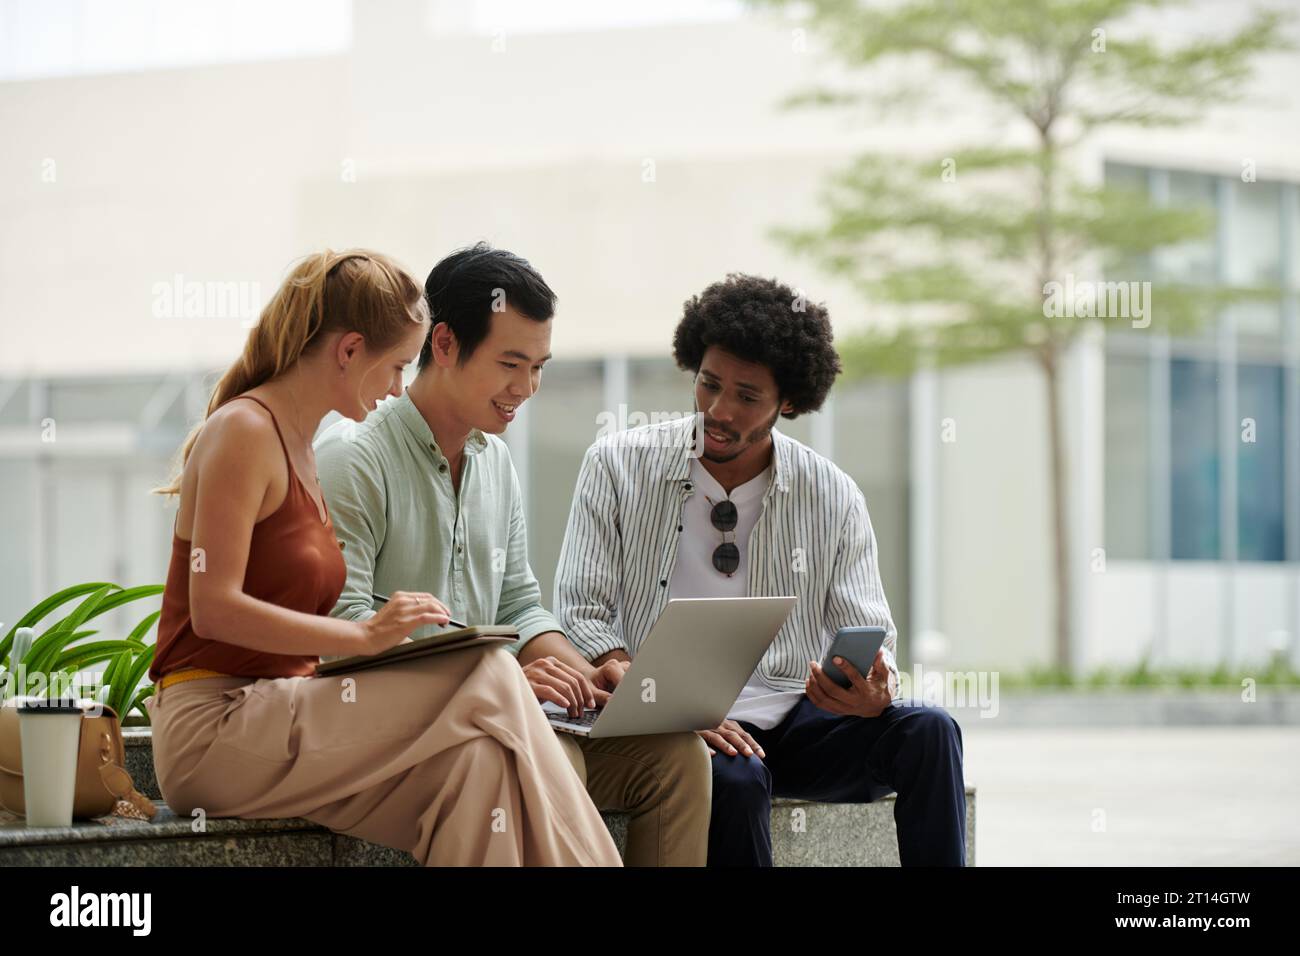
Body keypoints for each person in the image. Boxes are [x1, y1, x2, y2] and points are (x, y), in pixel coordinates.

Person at [147, 248, 621, 867]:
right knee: (490, 672)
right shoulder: (244, 431)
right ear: (349, 352)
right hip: (216, 728)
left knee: (478, 774)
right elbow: (213, 611)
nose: (400, 386)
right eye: (397, 365)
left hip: (285, 714)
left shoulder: (304, 450)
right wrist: (364, 634)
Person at [315, 242, 711, 867]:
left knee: (677, 757)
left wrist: (586, 674)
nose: (526, 388)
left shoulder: (494, 461)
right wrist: (498, 679)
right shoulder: (354, 456)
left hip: (503, 709)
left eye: (539, 366)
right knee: (558, 755)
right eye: (510, 363)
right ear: (441, 344)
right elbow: (340, 633)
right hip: (403, 727)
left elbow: (520, 603)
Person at [554, 273, 967, 866]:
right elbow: (583, 616)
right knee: (738, 779)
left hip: (798, 722)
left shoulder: (833, 494)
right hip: (676, 724)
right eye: (709, 384)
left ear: (789, 402)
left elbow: (869, 631)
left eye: (746, 397)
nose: (718, 411)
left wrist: (875, 691)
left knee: (931, 730)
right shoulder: (617, 466)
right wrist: (664, 700)